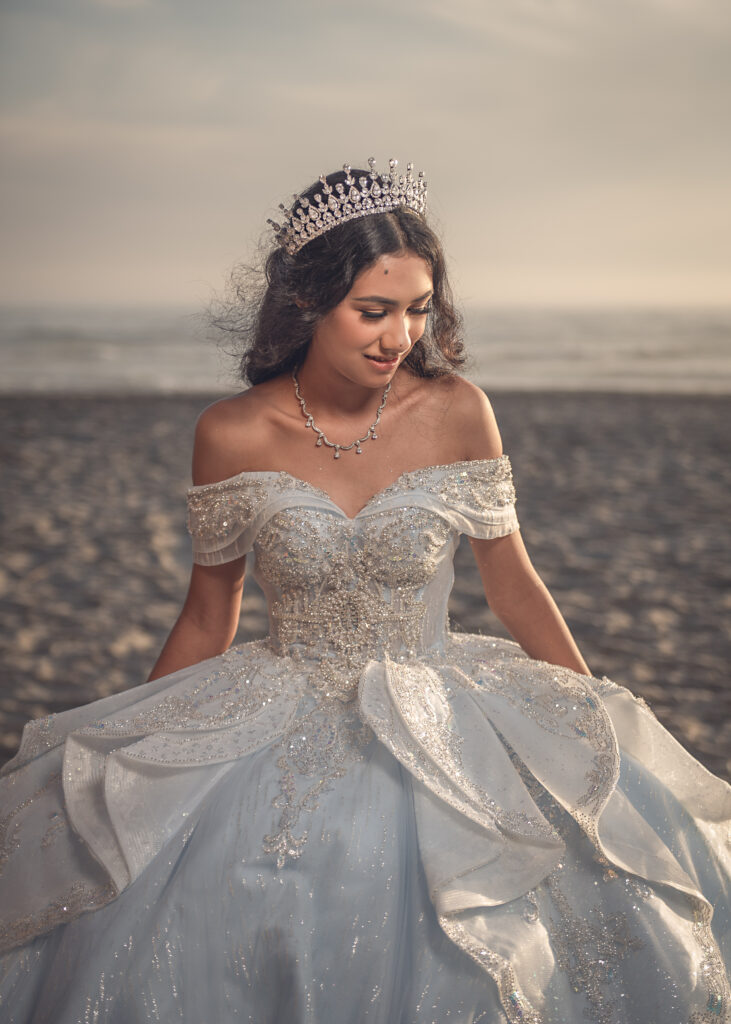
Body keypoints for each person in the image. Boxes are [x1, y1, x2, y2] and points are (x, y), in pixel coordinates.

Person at [0, 159, 728, 1024]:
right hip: (277, 700)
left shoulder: (458, 409)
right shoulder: (231, 432)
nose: (398, 336)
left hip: (443, 702)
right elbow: (207, 613)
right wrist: (149, 753)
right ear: (308, 303)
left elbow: (515, 585)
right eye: (373, 311)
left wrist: (589, 709)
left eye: (418, 309)